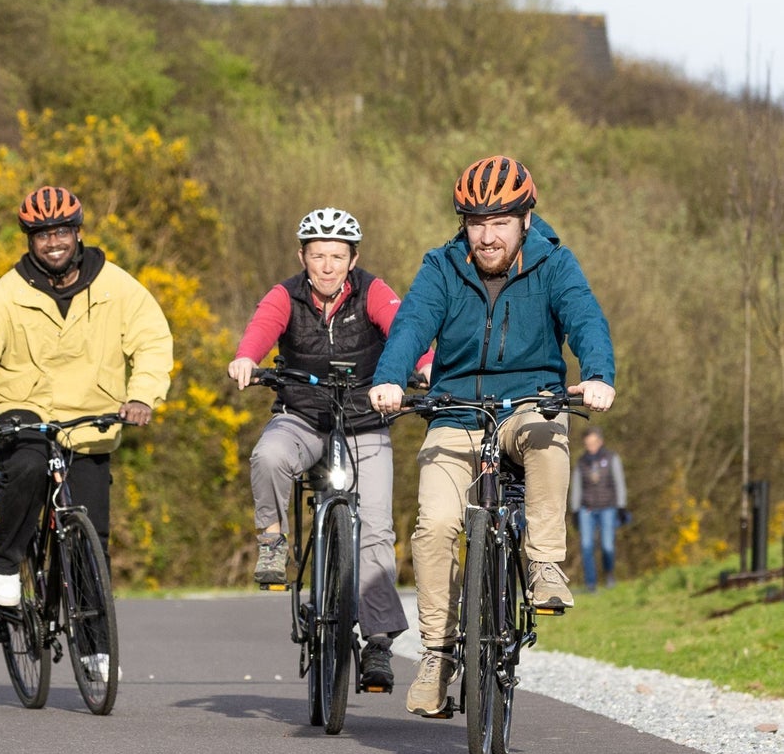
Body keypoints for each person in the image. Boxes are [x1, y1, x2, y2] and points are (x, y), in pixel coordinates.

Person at [368, 155, 615, 717]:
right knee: (433, 525)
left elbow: (585, 318)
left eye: (500, 222)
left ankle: (545, 565)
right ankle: (436, 654)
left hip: (530, 402)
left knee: (548, 436)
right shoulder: (442, 266)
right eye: (476, 222)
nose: (487, 235)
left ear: (526, 220)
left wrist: (597, 375)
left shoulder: (555, 263)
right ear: (463, 224)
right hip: (455, 411)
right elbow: (410, 326)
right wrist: (388, 379)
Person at [0, 185, 173, 681]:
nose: (53, 242)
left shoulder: (118, 287)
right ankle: (6, 565)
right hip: (23, 415)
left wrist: (142, 396)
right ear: (29, 239)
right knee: (24, 469)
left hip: (89, 423)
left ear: (78, 232)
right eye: (42, 234)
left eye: (61, 231)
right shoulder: (7, 294)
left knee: (94, 540)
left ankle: (95, 649)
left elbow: (152, 341)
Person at [227, 208, 425, 692]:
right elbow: (261, 327)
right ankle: (274, 543)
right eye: (318, 256)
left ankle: (378, 643)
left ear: (353, 258)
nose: (328, 265)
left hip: (363, 422)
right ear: (303, 257)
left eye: (338, 256)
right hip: (302, 418)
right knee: (268, 456)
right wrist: (247, 358)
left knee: (376, 529)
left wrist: (423, 366)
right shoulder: (285, 295)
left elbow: (406, 330)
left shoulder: (374, 292)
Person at [570, 426, 627, 591]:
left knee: (607, 546)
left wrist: (621, 506)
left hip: (607, 508)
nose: (591, 446)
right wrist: (575, 510)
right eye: (588, 443)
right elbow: (577, 487)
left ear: (600, 442)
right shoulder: (581, 462)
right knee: (586, 546)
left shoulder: (611, 458)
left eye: (594, 443)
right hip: (586, 509)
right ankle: (591, 584)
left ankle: (609, 574)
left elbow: (619, 483)